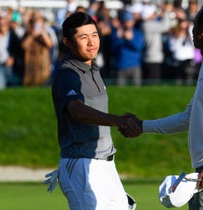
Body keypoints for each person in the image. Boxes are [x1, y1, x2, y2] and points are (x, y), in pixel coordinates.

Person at [126, 4, 203, 210]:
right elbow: (189, 117)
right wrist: (143, 126)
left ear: (202, 28)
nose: (191, 30)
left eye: (193, 25)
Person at [51, 12, 140, 210]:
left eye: (94, 35)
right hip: (81, 164)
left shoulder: (94, 69)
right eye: (83, 37)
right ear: (67, 42)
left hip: (106, 164)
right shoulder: (68, 74)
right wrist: (118, 121)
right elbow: (76, 110)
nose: (91, 42)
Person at [110, 11, 144, 86]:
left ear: (133, 22)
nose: (128, 23)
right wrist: (118, 38)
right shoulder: (117, 33)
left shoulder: (137, 33)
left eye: (130, 21)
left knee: (136, 91)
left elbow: (139, 48)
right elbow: (112, 49)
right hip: (120, 65)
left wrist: (130, 40)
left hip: (135, 66)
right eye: (126, 21)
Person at [21, 10, 53, 86]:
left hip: (43, 64)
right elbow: (24, 46)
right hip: (31, 63)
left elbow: (50, 45)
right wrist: (32, 35)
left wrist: (43, 33)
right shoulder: (28, 33)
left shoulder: (46, 33)